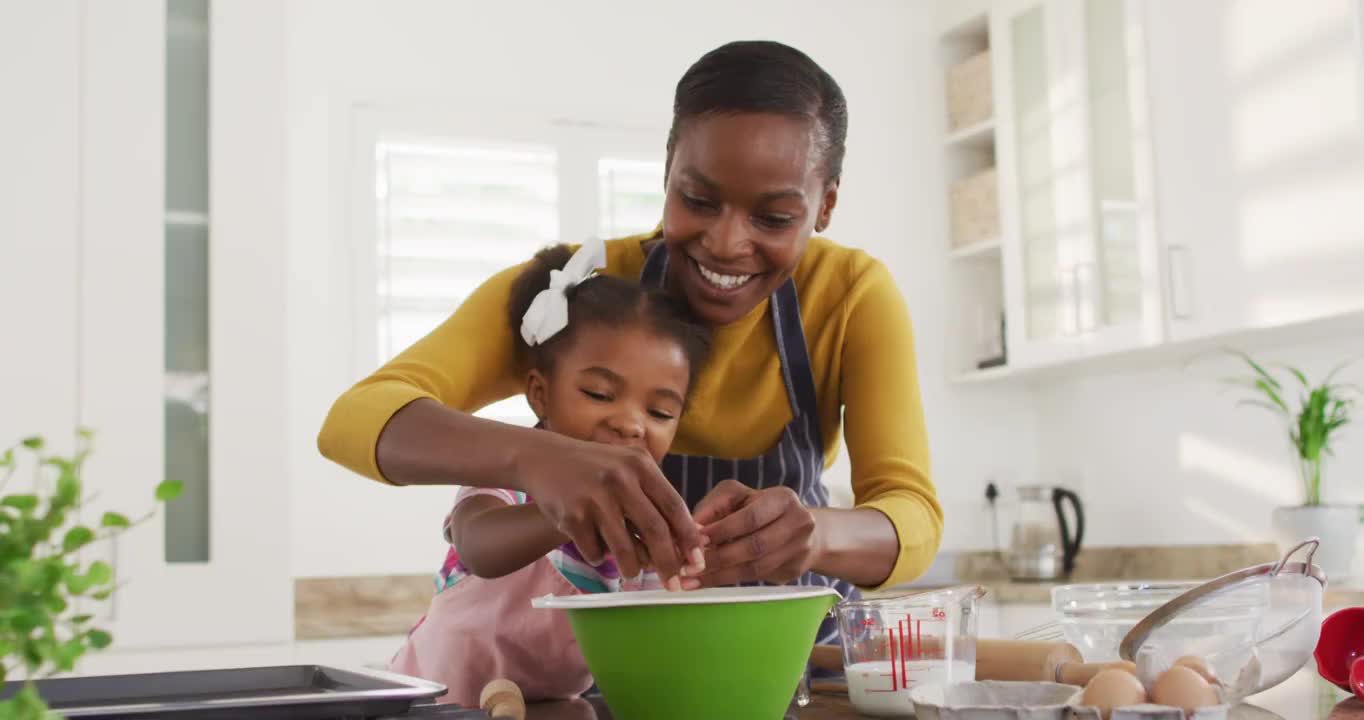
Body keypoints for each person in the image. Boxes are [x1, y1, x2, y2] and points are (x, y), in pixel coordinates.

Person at [318, 40, 943, 644]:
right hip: (615, 679)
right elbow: (354, 421)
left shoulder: (850, 294)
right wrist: (535, 459)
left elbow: (912, 514)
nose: (726, 243)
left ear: (825, 204)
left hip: (801, 669)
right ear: (667, 170)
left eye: (773, 218)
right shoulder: (580, 289)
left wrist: (818, 536)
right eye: (697, 199)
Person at [388, 241, 712, 706]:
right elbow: (478, 545)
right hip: (431, 704)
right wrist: (568, 509)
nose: (631, 423)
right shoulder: (508, 469)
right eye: (600, 394)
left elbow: (654, 631)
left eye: (660, 412)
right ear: (540, 394)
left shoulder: (644, 519)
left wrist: (696, 563)